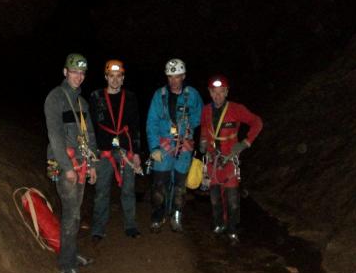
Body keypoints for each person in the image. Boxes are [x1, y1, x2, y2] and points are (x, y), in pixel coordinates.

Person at [44, 53, 97, 273]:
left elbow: (90, 135)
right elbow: (55, 136)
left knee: (75, 215)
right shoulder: (55, 98)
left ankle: (71, 254)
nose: (78, 77)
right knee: (71, 214)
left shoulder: (81, 102)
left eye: (82, 73)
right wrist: (67, 168)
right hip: (66, 165)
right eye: (74, 72)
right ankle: (66, 266)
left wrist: (92, 164)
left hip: (82, 164)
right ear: (65, 72)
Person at [199, 74, 263, 243]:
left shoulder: (236, 109)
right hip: (213, 160)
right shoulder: (206, 110)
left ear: (227, 92)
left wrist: (245, 143)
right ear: (209, 92)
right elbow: (205, 129)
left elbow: (257, 122)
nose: (217, 96)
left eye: (221, 92)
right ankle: (219, 224)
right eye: (214, 92)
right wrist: (203, 142)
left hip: (229, 160)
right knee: (214, 199)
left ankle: (232, 229)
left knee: (233, 199)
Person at [146, 58, 203, 232]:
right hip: (164, 145)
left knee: (179, 185)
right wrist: (154, 147)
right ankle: (158, 214)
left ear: (183, 76)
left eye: (177, 76)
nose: (173, 81)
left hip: (184, 147)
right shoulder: (159, 95)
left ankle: (176, 215)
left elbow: (199, 117)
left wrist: (190, 134)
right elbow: (152, 122)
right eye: (170, 77)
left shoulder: (192, 95)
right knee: (160, 185)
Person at [89, 59, 142, 240]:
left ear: (123, 78)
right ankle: (98, 228)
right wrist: (92, 152)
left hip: (125, 150)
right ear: (106, 77)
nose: (115, 80)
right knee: (102, 190)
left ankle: (130, 225)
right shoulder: (96, 97)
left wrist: (136, 153)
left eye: (118, 76)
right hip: (103, 150)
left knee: (128, 189)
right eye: (111, 76)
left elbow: (135, 127)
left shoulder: (131, 98)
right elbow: (92, 127)